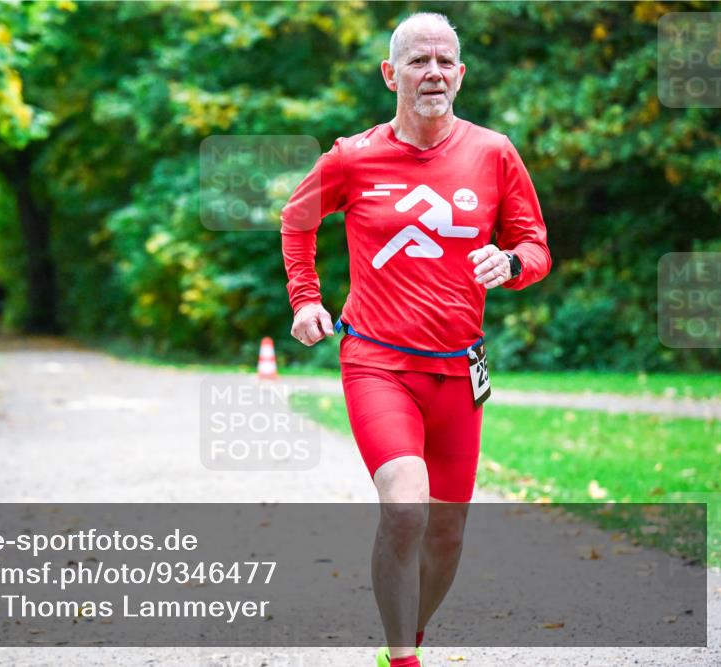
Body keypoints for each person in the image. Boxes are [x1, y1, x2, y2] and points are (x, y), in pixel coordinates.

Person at [279, 12, 551, 667]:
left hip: (460, 367)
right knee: (406, 508)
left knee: (448, 531)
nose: (432, 72)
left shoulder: (494, 152)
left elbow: (535, 245)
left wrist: (510, 264)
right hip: (377, 360)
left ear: (459, 73)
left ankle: (410, 633)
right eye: (418, 60)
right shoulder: (353, 156)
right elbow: (297, 218)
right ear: (390, 73)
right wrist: (306, 298)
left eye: (444, 61)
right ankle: (404, 659)